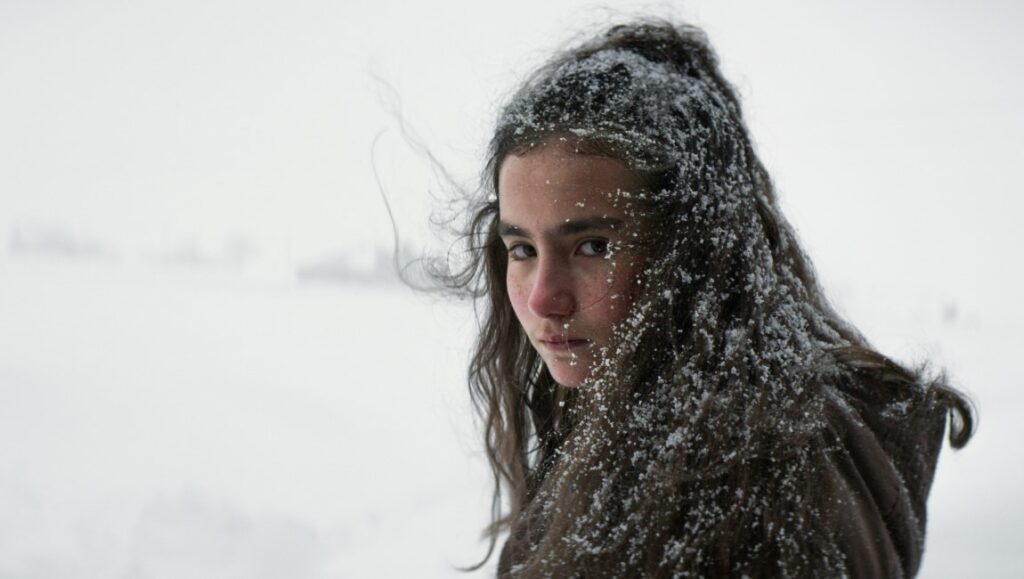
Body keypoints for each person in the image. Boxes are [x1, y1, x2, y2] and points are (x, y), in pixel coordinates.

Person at [436, 19, 973, 578]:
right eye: (522, 250)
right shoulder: (799, 423)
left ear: (694, 253)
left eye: (594, 246)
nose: (543, 299)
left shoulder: (728, 511)